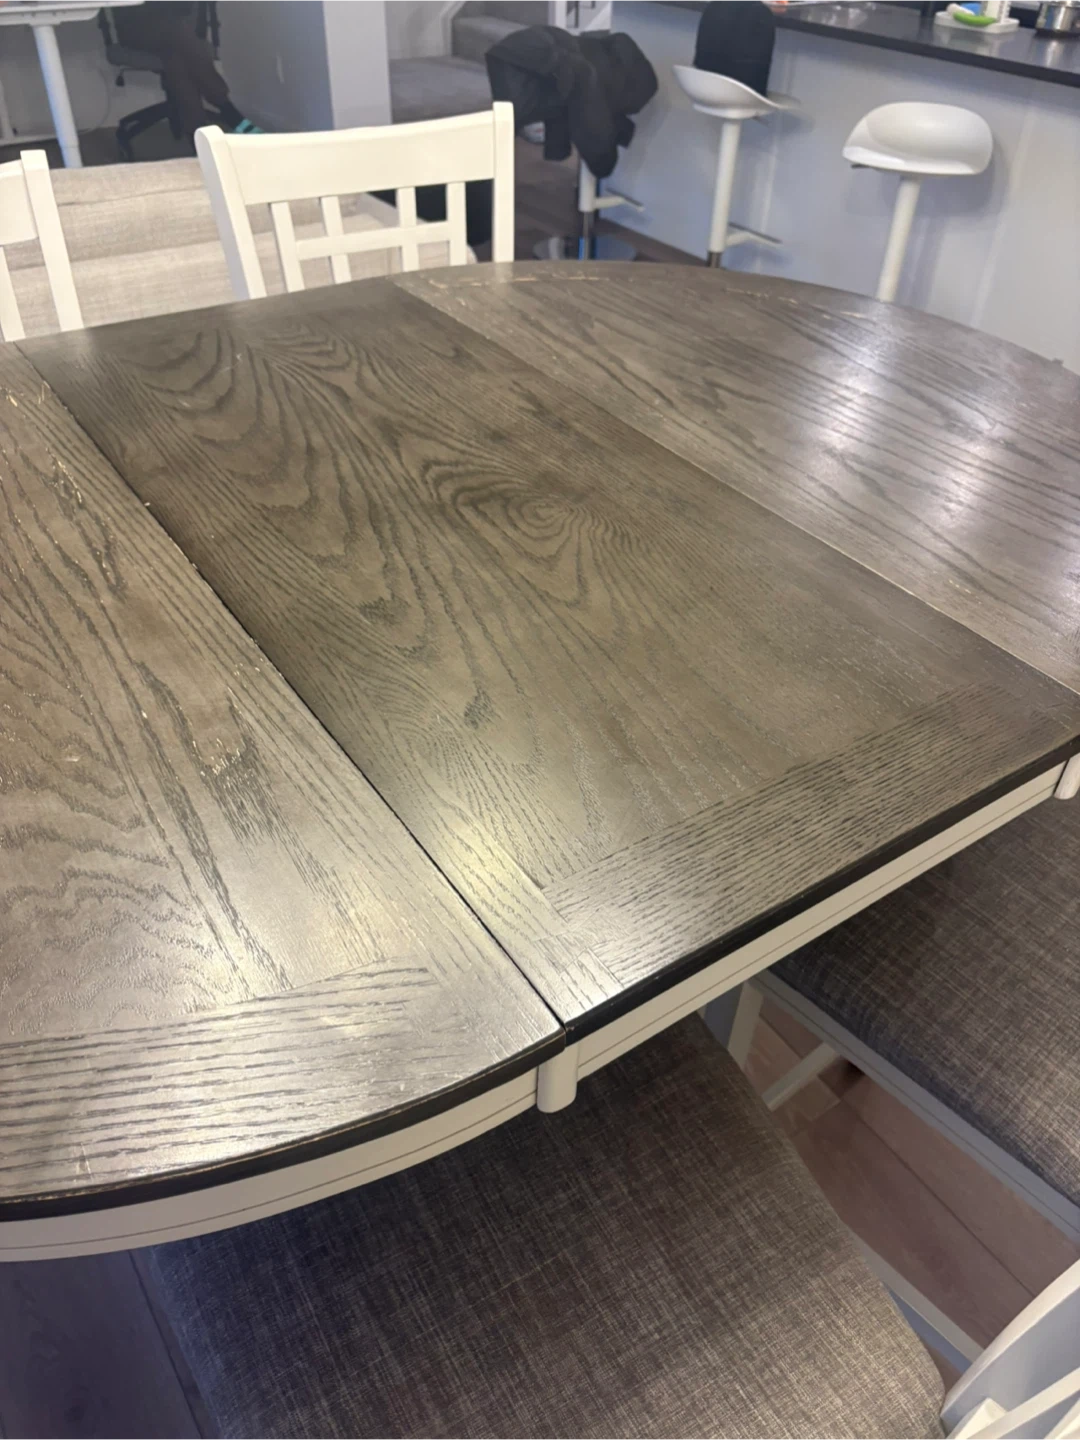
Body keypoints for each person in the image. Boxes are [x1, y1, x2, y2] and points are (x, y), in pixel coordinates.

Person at [115, 0, 259, 141]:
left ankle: (196, 131)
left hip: (175, 29)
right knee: (180, 36)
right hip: (136, 27)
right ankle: (228, 110)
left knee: (175, 57)